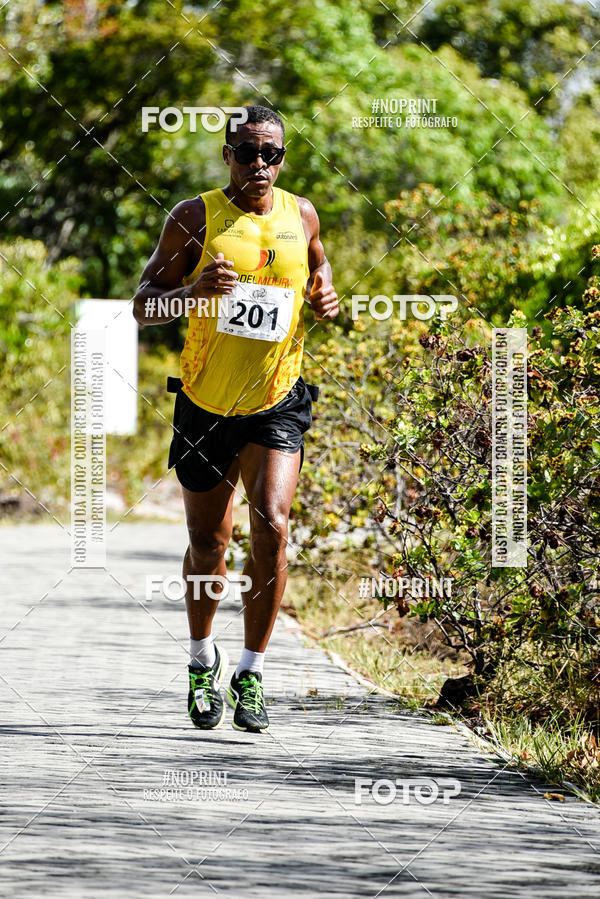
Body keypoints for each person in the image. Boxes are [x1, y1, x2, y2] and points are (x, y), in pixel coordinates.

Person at [133, 104, 339, 732]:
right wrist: (190, 294)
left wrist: (325, 291)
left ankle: (251, 672)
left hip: (276, 399)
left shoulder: (302, 214)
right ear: (227, 155)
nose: (258, 164)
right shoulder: (193, 217)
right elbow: (143, 304)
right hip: (204, 401)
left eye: (270, 153)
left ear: (283, 158)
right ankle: (202, 660)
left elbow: (318, 263)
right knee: (209, 543)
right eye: (246, 152)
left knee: (272, 526)